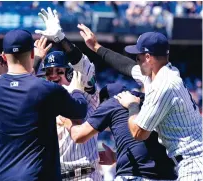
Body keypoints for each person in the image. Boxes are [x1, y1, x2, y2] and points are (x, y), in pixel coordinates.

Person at [77, 24, 203, 180]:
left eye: (138, 57)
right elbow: (126, 66)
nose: (136, 61)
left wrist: (132, 105)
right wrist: (96, 47)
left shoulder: (162, 86)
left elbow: (139, 133)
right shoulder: (164, 72)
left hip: (193, 164)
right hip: (190, 161)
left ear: (148, 58)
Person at [0, 29, 88, 181]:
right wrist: (77, 90)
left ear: (4, 56)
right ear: (31, 54)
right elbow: (80, 111)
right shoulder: (48, 89)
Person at [35, 7, 102, 181]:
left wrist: (61, 39)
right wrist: (35, 60)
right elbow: (21, 86)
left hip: (85, 174)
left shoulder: (83, 90)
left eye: (59, 70)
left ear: (70, 72)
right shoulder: (44, 98)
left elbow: (84, 67)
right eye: (49, 72)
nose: (54, 76)